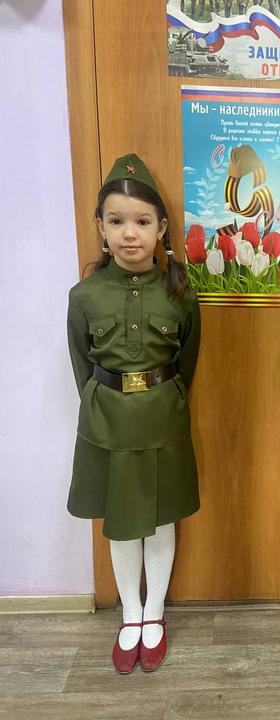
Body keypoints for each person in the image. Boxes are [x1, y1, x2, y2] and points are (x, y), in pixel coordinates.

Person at [67, 153, 201, 674]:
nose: (130, 234)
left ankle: (155, 613)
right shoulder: (85, 295)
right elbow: (82, 365)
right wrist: (104, 405)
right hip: (108, 425)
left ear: (161, 228)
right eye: (117, 221)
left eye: (142, 221)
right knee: (122, 525)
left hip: (163, 419)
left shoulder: (179, 292)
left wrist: (164, 397)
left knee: (161, 520)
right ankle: (130, 614)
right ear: (100, 226)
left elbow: (187, 361)